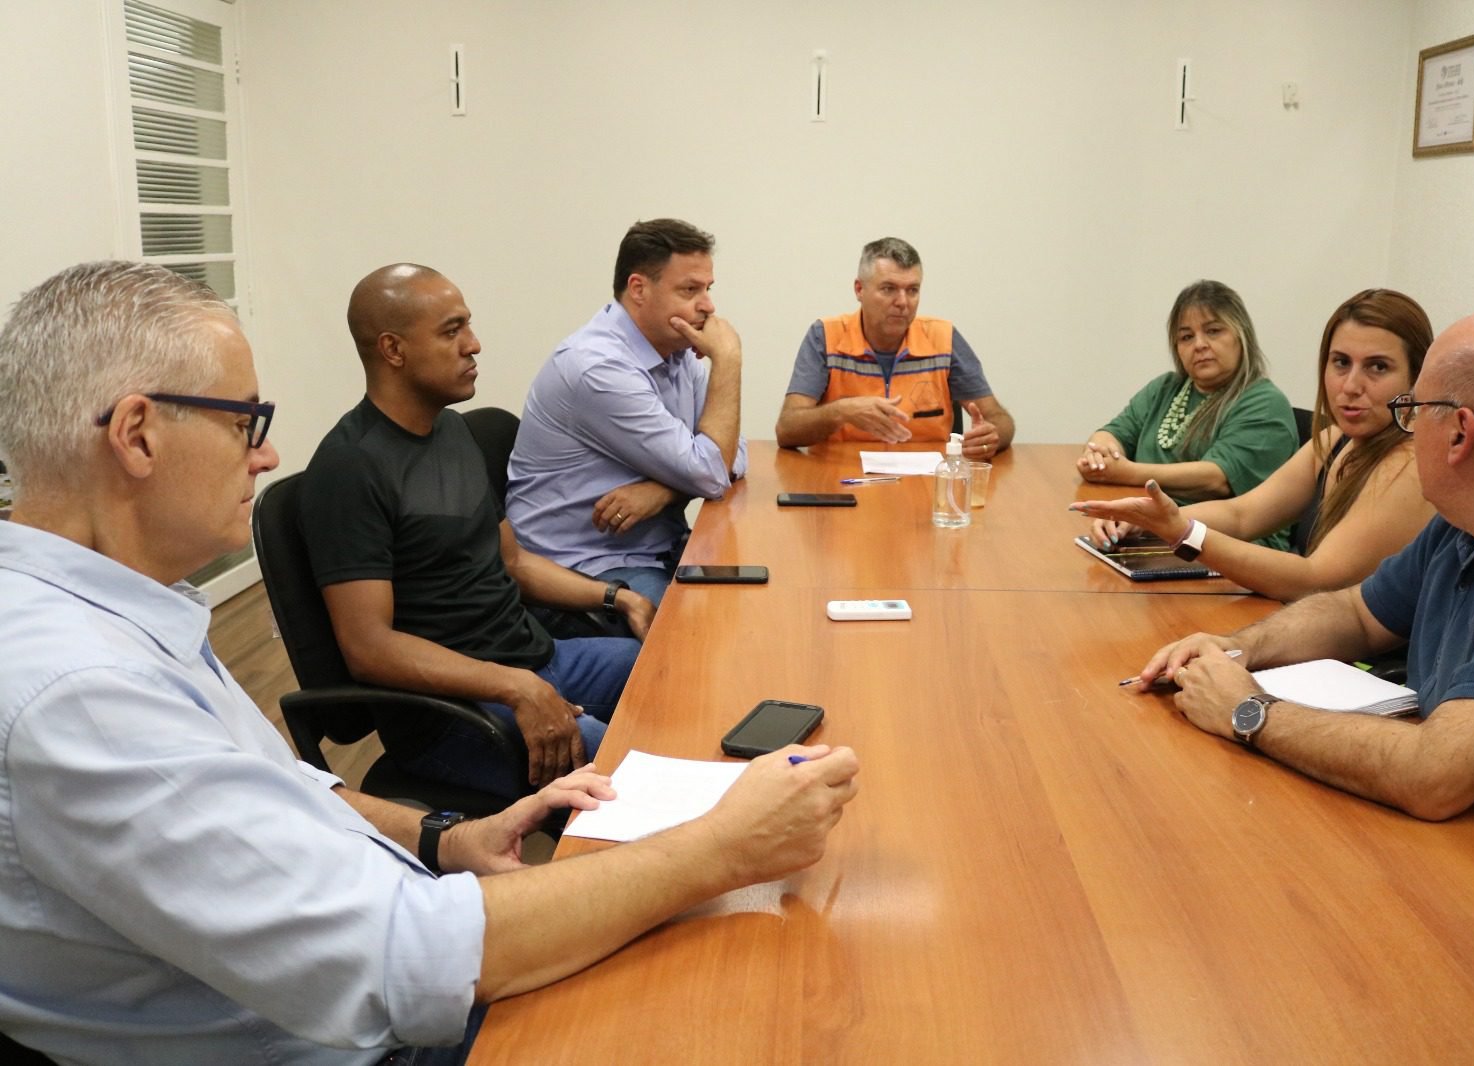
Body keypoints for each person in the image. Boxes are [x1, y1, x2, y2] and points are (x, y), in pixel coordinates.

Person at [0, 260, 862, 1064]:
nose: (264, 455)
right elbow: (406, 959)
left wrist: (444, 836)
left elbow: (289, 790)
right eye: (245, 422)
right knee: (730, 997)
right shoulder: (80, 690)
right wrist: (725, 848)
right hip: (361, 1039)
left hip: (393, 922)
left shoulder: (125, 613)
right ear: (138, 437)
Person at [1133, 309, 1474, 861]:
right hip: (1466, 833)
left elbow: (1436, 775)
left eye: (1411, 411)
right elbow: (1358, 613)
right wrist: (1239, 648)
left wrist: (1250, 711)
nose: (1405, 429)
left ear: (1459, 433)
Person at [302, 264, 655, 798]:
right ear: (393, 350)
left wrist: (617, 597)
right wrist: (514, 687)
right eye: (452, 331)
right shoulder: (350, 469)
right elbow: (368, 647)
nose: (474, 345)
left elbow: (513, 563)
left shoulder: (450, 430)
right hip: (455, 715)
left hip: (537, 663)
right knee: (631, 783)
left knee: (681, 674)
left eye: (468, 326)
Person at [1071, 289, 1436, 601]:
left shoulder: (1410, 462)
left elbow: (1315, 581)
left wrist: (1183, 532)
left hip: (1360, 664)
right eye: (1340, 362)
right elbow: (1242, 515)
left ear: (1417, 377)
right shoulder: (1334, 439)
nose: (1351, 385)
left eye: (1377, 367)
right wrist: (1154, 518)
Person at [505, 219, 746, 607]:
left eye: (708, 288)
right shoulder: (598, 368)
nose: (709, 305)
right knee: (697, 634)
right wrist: (729, 360)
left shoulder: (677, 350)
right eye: (690, 289)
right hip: (582, 568)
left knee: (758, 597)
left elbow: (732, 453)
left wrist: (662, 490)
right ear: (639, 289)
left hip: (651, 549)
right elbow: (713, 470)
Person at [1078, 280, 1298, 545]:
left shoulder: (1264, 402)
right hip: (1154, 530)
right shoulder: (1166, 388)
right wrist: (1100, 454)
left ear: (1242, 337)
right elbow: (1114, 432)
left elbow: (1216, 478)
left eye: (1214, 331)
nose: (1200, 345)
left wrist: (1124, 472)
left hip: (1232, 547)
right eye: (1186, 337)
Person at [775, 237, 1015, 460]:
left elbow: (998, 418)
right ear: (859, 290)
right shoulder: (825, 337)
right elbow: (787, 429)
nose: (902, 302)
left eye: (912, 290)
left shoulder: (943, 338)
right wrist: (841, 411)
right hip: (841, 480)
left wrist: (991, 436)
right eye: (888, 289)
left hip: (925, 487)